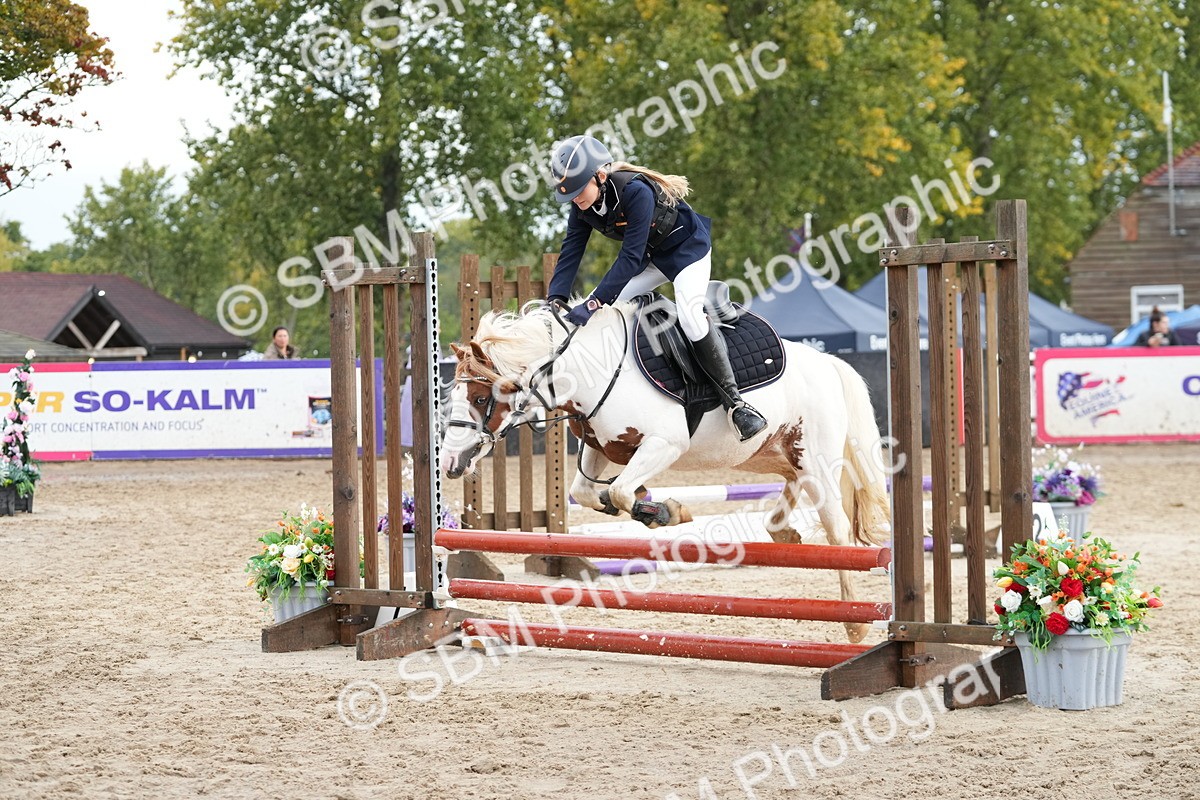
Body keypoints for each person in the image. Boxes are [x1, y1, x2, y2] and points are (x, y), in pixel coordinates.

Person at [544, 134, 767, 441]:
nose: (575, 199)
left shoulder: (636, 192)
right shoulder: (581, 207)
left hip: (687, 251)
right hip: (652, 259)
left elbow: (629, 255)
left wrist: (594, 302)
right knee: (607, 314)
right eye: (569, 194)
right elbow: (572, 249)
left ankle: (737, 405)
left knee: (689, 316)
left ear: (600, 175)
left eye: (580, 190)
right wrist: (555, 297)